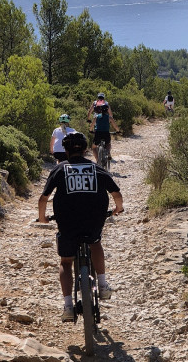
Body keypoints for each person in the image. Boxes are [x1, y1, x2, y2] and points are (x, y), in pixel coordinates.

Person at [37, 132, 124, 322]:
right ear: (85, 150)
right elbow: (116, 193)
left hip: (67, 222)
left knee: (66, 262)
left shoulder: (60, 170)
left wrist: (42, 218)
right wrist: (118, 208)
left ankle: (68, 306)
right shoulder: (97, 169)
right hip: (93, 220)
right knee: (95, 243)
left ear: (65, 151)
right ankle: (102, 285)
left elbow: (43, 198)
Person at [89, 95, 119, 163]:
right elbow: (115, 126)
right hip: (106, 133)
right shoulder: (109, 117)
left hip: (98, 133)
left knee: (94, 147)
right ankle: (108, 152)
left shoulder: (96, 117)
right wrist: (118, 131)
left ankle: (97, 160)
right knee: (108, 144)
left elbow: (92, 125)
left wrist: (90, 130)